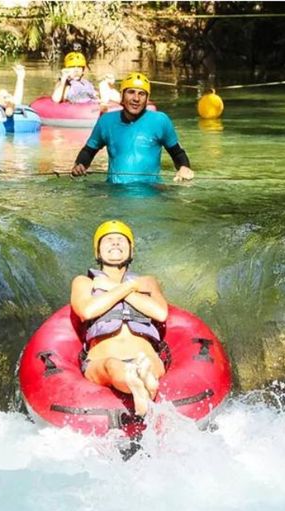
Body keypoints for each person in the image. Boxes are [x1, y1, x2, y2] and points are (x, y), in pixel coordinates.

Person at [70, 220, 168, 416]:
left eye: (121, 240)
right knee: (113, 366)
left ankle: (142, 379)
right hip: (102, 360)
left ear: (131, 250)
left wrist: (117, 287)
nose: (115, 242)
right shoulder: (84, 282)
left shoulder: (147, 281)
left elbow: (160, 312)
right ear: (98, 251)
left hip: (145, 356)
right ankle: (137, 382)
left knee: (148, 362)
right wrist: (130, 289)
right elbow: (87, 311)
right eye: (108, 240)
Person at [71, 72, 194, 184]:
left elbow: (177, 153)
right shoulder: (106, 121)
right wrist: (80, 165)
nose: (136, 98)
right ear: (122, 96)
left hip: (150, 192)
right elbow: (88, 151)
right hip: (115, 192)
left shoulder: (160, 121)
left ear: (147, 99)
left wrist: (184, 168)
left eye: (141, 94)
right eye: (131, 92)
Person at [50, 51, 119, 105]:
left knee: (104, 84)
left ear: (83, 70)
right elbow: (56, 99)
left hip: (93, 103)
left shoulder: (86, 83)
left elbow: (95, 94)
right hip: (80, 108)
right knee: (103, 85)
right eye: (72, 67)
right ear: (67, 69)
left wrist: (110, 86)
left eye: (79, 67)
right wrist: (63, 79)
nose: (76, 70)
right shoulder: (65, 83)